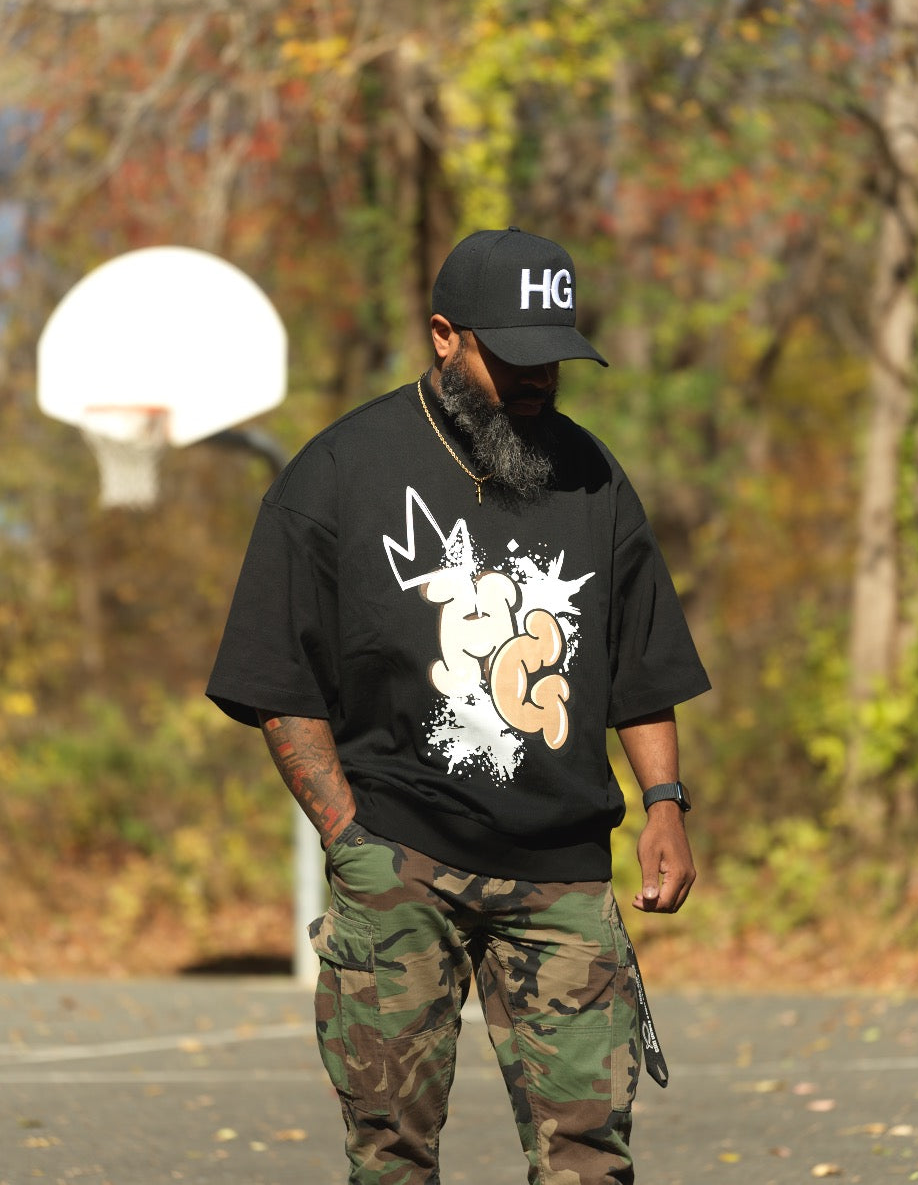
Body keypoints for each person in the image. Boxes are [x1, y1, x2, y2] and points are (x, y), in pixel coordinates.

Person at [207, 227, 710, 1185]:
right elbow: (279, 680)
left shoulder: (593, 476)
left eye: (552, 357)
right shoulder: (339, 473)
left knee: (590, 1157)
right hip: (400, 859)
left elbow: (642, 664)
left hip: (562, 873)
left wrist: (664, 802)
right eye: (513, 357)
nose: (538, 378)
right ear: (445, 336)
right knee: (391, 1155)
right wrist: (350, 837)